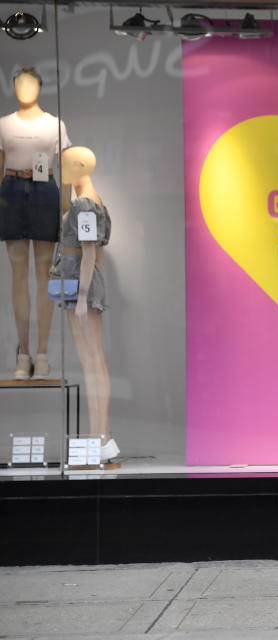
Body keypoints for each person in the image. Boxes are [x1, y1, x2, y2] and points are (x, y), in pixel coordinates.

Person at [0, 66, 71, 379]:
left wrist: (66, 208)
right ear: (13, 86)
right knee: (18, 274)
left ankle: (42, 353)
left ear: (40, 87)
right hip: (11, 190)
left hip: (44, 190)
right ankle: (23, 352)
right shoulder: (3, 124)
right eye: (19, 83)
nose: (25, 88)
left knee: (44, 274)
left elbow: (67, 164)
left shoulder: (55, 125)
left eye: (30, 83)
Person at [59, 146, 118, 462]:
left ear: (80, 166)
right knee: (94, 361)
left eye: (65, 164)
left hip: (81, 284)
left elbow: (90, 252)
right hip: (80, 281)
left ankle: (100, 436)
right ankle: (101, 435)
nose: (60, 168)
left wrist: (82, 297)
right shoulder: (90, 200)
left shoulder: (84, 204)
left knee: (92, 361)